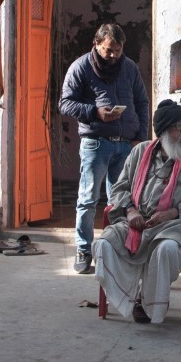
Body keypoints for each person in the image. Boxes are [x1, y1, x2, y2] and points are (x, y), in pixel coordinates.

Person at [94, 100, 181, 323]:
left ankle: (148, 300)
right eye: (178, 127)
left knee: (167, 249)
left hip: (175, 225)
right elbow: (120, 187)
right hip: (135, 223)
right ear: (162, 132)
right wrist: (131, 211)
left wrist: (175, 212)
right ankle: (129, 296)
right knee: (103, 245)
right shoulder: (140, 151)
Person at [59, 23, 151, 274]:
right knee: (88, 199)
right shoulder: (80, 67)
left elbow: (142, 102)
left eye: (118, 50)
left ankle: (117, 248)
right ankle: (83, 249)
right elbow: (65, 104)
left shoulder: (129, 67)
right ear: (97, 44)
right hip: (95, 144)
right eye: (109, 50)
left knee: (121, 201)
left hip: (125, 145)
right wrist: (94, 113)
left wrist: (140, 138)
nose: (113, 55)